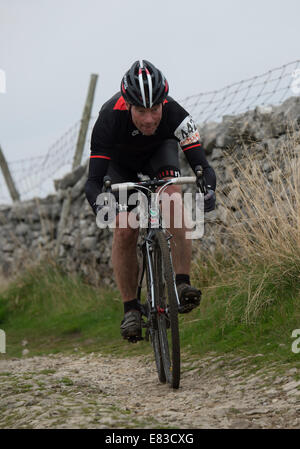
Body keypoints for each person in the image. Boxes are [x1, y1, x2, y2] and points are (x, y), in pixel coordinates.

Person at [85, 60, 216, 340]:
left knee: (173, 199)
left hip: (160, 155)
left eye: (155, 110)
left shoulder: (176, 114)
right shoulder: (108, 118)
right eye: (141, 111)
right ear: (128, 104)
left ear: (163, 103)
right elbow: (93, 182)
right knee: (125, 228)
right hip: (120, 167)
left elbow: (202, 166)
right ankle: (131, 308)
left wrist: (208, 188)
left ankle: (181, 282)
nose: (149, 119)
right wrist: (103, 208)